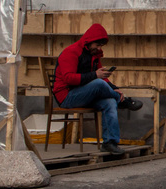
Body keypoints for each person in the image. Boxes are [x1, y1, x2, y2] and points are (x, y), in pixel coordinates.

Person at [54, 23, 142, 155]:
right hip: (67, 96)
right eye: (98, 45)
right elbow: (68, 78)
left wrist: (114, 88)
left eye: (101, 46)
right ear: (89, 42)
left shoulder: (94, 55)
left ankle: (109, 143)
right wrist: (95, 75)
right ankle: (123, 101)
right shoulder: (70, 52)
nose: (99, 48)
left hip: (85, 95)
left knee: (110, 102)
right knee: (98, 84)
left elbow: (102, 77)